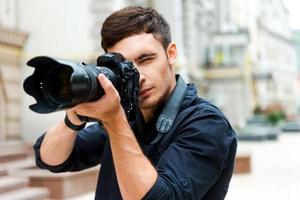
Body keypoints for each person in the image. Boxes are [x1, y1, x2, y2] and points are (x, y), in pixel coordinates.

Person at [33, 6, 237, 200]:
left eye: (146, 59)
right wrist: (73, 119)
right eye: (125, 67)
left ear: (171, 53)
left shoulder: (207, 123)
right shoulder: (129, 116)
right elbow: (50, 158)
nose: (137, 76)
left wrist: (115, 120)